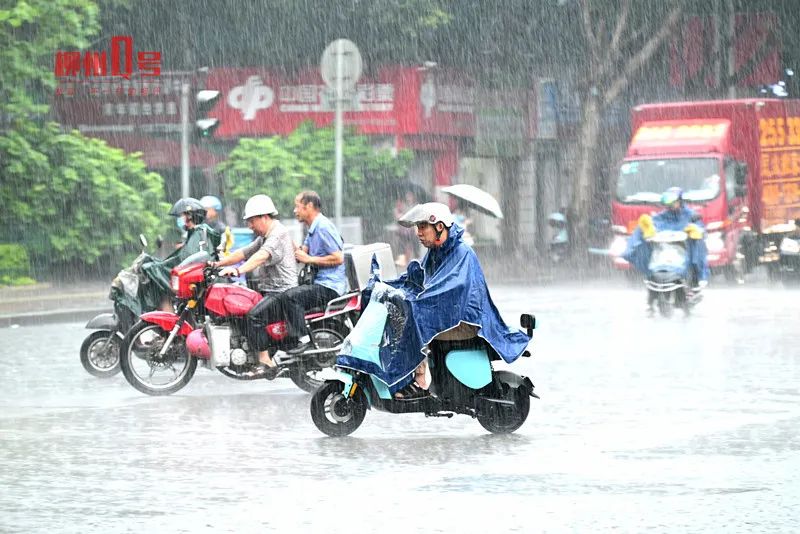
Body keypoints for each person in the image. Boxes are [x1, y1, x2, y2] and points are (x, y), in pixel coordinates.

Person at [343, 202, 530, 400]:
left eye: (423, 227)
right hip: (450, 315)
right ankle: (409, 378)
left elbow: (447, 289)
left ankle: (413, 381)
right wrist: (387, 287)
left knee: (411, 319)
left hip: (465, 321)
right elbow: (417, 280)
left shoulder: (462, 253)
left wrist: (416, 302)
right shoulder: (436, 252)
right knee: (398, 312)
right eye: (417, 228)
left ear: (439, 227)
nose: (418, 233)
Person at [209, 194, 298, 379]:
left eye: (251, 221)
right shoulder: (265, 236)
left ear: (264, 217)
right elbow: (244, 252)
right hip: (270, 289)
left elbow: (261, 256)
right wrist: (218, 264)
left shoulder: (278, 234)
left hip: (282, 291)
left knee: (254, 316)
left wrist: (237, 271)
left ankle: (265, 361)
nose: (250, 225)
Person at [271, 190, 348, 355]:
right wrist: (281, 234)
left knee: (290, 297)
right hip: (320, 283)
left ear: (310, 206)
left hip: (330, 286)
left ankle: (303, 340)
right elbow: (301, 253)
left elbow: (338, 257)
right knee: (283, 295)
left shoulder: (323, 227)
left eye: (297, 206)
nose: (295, 211)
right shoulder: (312, 228)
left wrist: (309, 259)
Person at [622, 187, 709, 313]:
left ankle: (694, 283)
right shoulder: (661, 217)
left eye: (674, 202)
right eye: (668, 203)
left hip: (682, 254)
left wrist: (695, 231)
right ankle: (651, 295)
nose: (671, 206)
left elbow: (700, 230)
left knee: (696, 247)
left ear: (680, 201)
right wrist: (646, 229)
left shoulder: (691, 216)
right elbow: (650, 227)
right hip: (663, 254)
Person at [141, 197, 221, 311]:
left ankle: (169, 319)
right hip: (191, 276)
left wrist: (156, 268)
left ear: (189, 216)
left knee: (158, 282)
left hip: (193, 278)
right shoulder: (195, 233)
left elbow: (184, 259)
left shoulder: (199, 232)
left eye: (182, 215)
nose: (180, 219)